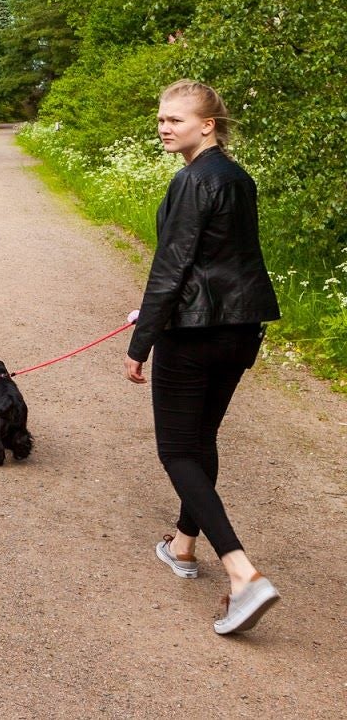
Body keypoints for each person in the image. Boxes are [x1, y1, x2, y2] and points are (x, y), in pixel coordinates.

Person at [125, 79, 281, 635]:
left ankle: (243, 574)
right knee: (202, 439)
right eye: (161, 118)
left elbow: (171, 267)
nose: (164, 127)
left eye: (176, 119)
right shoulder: (237, 177)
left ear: (207, 125)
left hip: (193, 337)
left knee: (176, 450)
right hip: (239, 329)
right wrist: (155, 315)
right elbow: (218, 261)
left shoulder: (191, 180)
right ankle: (184, 546)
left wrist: (142, 341)